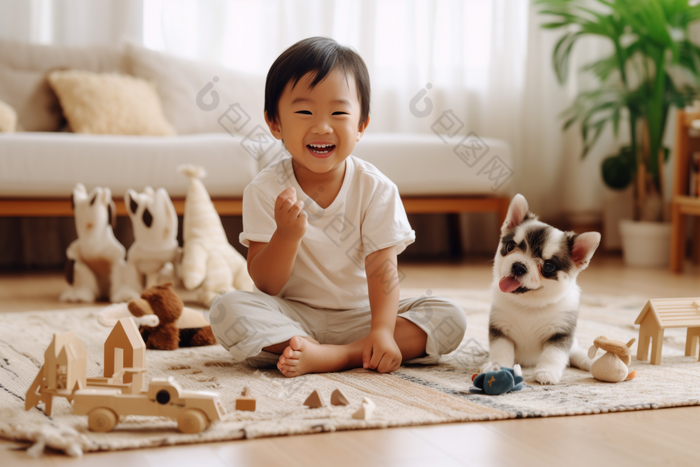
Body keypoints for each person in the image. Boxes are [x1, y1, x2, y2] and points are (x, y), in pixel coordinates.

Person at [209, 37, 466, 377]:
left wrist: (382, 331)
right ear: (275, 123)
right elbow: (267, 286)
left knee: (449, 317)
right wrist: (286, 236)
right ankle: (320, 349)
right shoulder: (264, 189)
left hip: (364, 317)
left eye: (339, 112)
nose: (322, 126)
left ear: (361, 125)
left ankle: (338, 355)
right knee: (225, 309)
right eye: (304, 112)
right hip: (292, 316)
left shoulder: (376, 188)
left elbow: (383, 271)